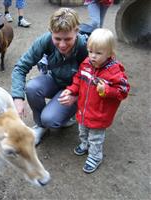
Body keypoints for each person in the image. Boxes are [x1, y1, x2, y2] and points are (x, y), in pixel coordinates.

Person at [11, 8, 88, 145]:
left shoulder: (85, 47)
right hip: (55, 79)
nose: (62, 45)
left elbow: (96, 81)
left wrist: (76, 96)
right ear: (50, 32)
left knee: (50, 119)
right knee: (32, 88)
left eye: (68, 39)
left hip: (76, 88)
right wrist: (17, 97)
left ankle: (69, 114)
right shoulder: (45, 40)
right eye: (57, 38)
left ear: (77, 31)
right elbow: (20, 67)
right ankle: (41, 126)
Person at [59, 28, 130, 173]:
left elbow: (123, 90)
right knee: (82, 131)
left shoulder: (114, 72)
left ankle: (95, 156)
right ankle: (85, 145)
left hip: (100, 114)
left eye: (98, 53)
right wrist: (72, 89)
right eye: (90, 51)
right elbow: (78, 78)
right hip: (83, 110)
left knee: (96, 138)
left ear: (109, 53)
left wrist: (108, 91)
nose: (93, 56)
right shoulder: (86, 64)